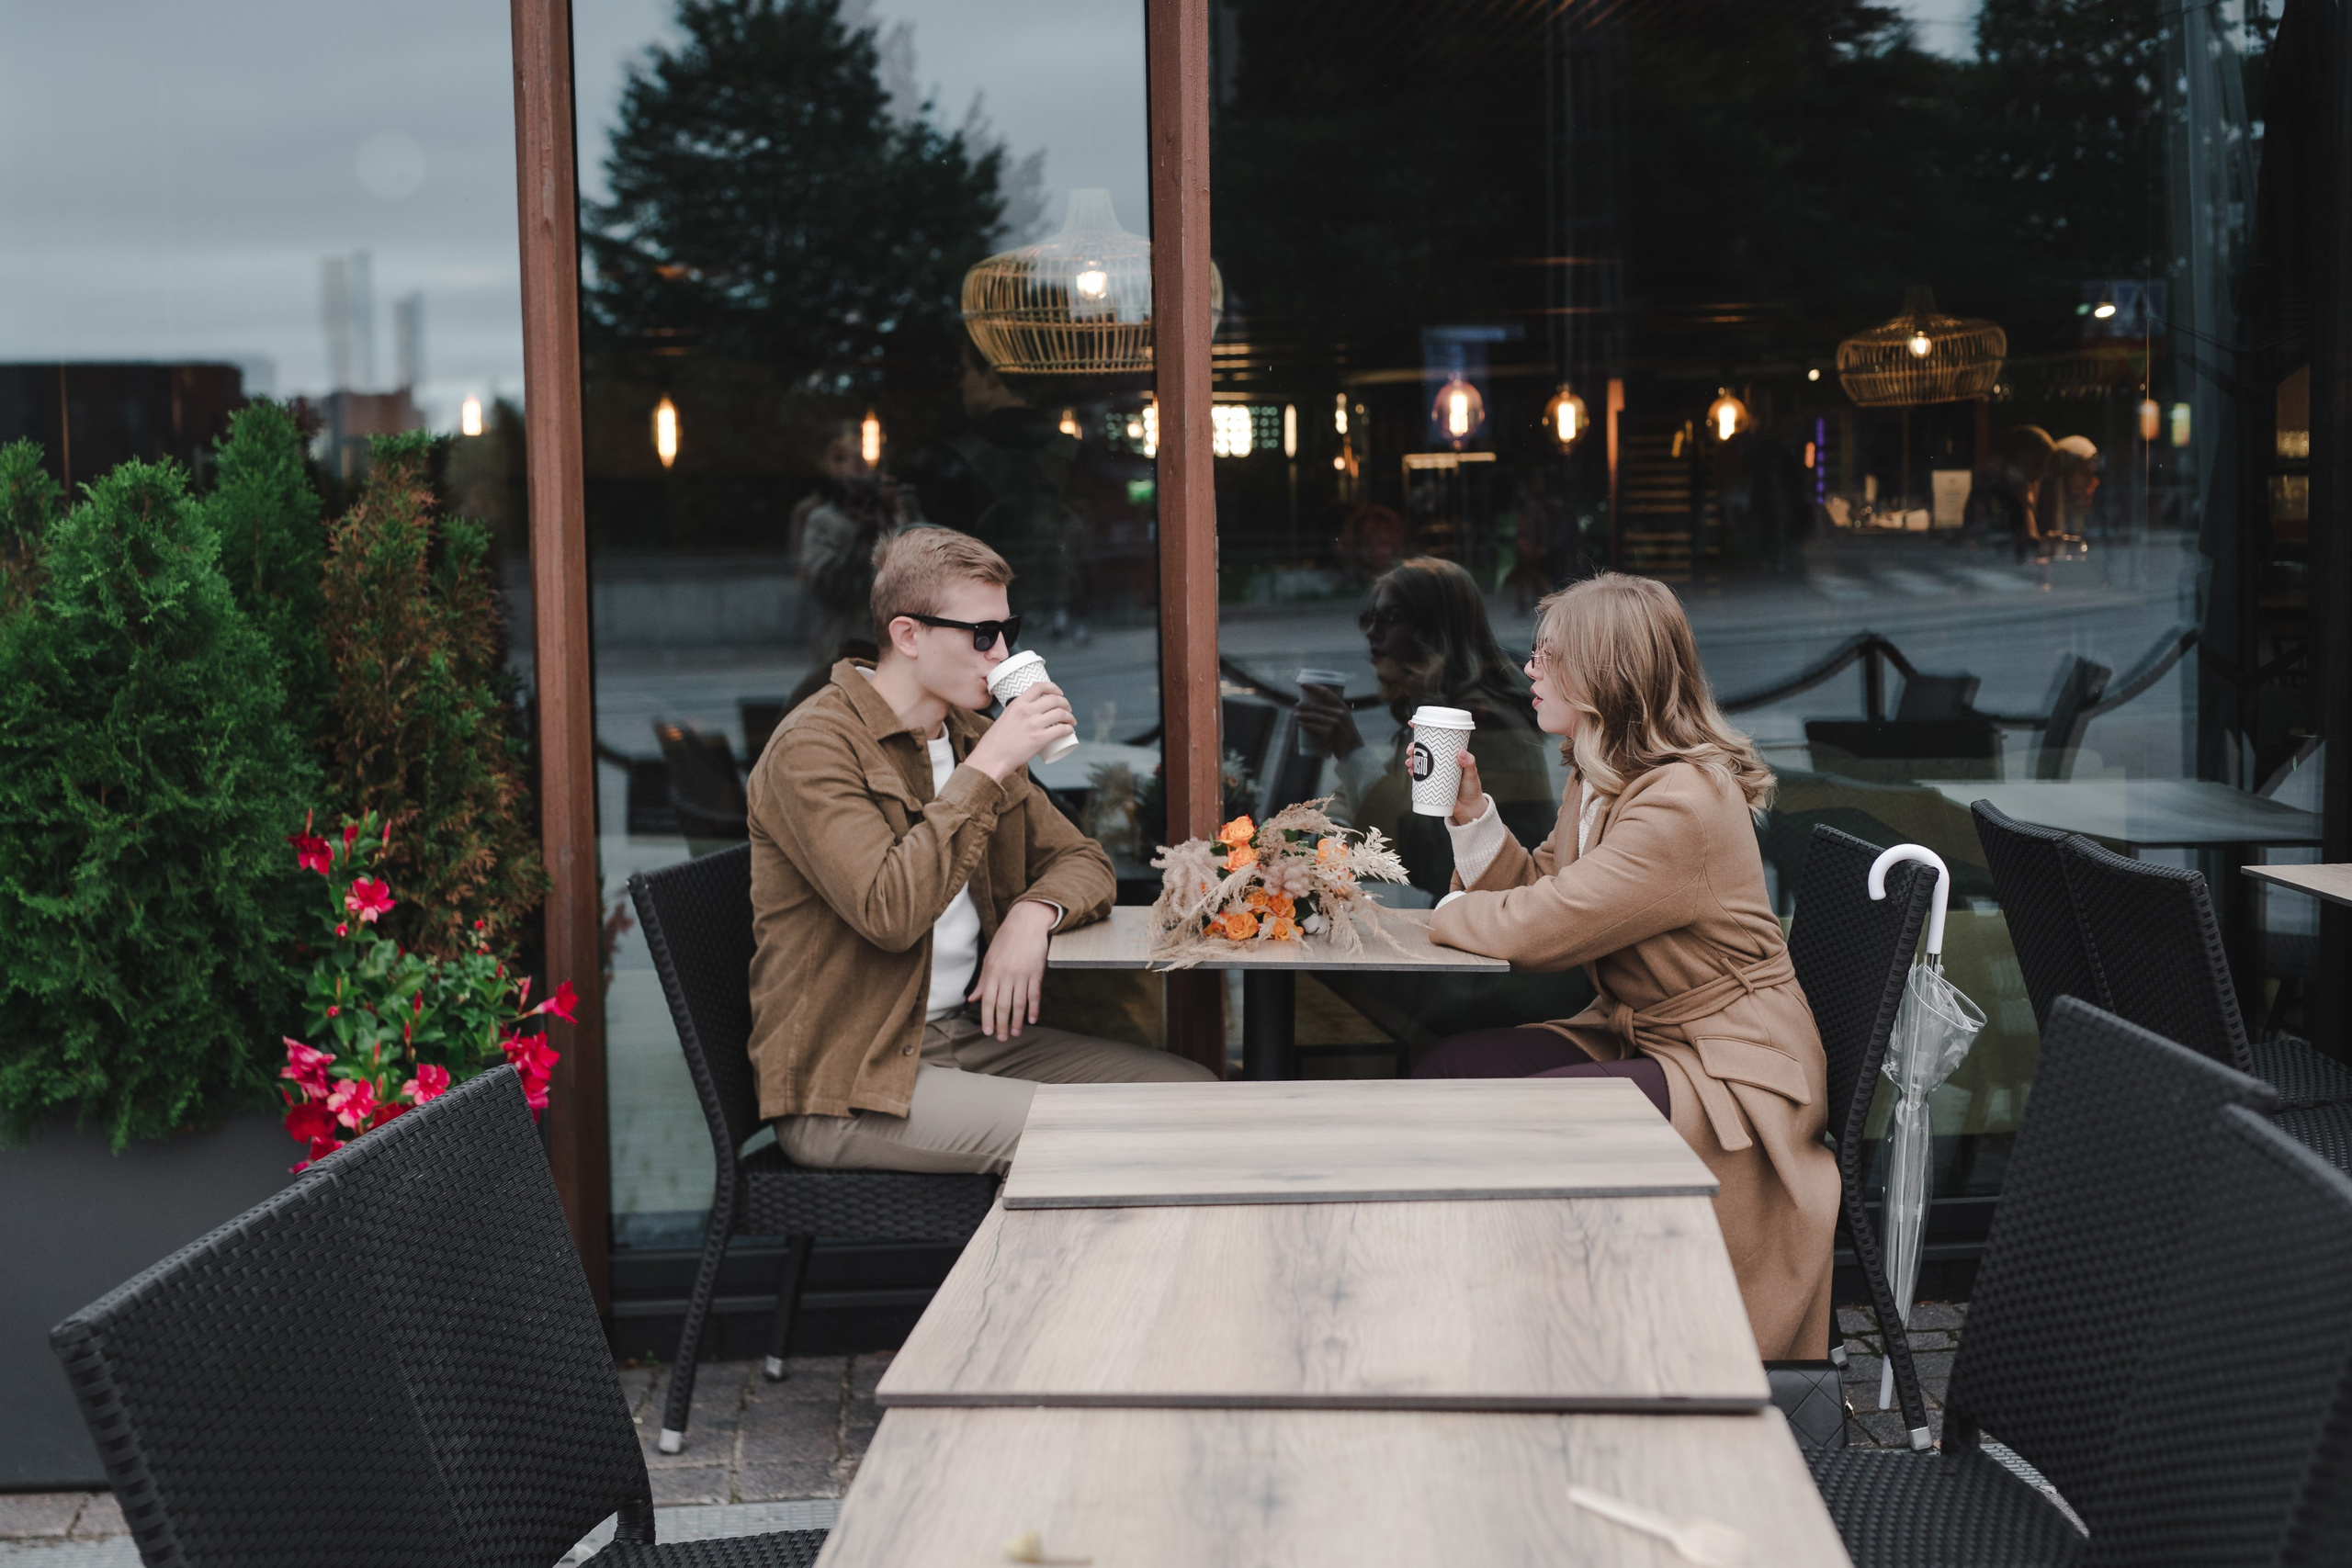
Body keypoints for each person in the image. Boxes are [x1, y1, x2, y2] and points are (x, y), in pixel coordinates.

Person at [1415, 572, 1837, 1361]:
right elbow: (1545, 890)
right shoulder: (1598, 774)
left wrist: (1444, 917)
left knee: (1534, 1120)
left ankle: (1559, 1329)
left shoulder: (1682, 801)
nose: (1530, 669)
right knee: (1452, 1066)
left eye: (1549, 656)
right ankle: (1480, 1306)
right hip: (1650, 1037)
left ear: (1605, 674)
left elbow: (1544, 927)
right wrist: (1471, 815)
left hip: (1733, 1069)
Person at [745, 528, 1214, 1176]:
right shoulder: (815, 746)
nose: (1003, 653)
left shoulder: (967, 734)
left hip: (963, 1040)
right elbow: (890, 911)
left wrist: (1034, 914)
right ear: (908, 636)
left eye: (1007, 629)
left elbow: (1085, 861)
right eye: (982, 634)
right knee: (1103, 1137)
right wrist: (992, 762)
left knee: (1195, 1098)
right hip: (849, 1081)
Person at [1295, 557, 1555, 898]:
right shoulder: (1440, 708)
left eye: (1390, 618)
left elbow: (1430, 857)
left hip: (1494, 914)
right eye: (1369, 618)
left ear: (1434, 629)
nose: (1372, 632)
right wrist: (1328, 834)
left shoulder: (1477, 723)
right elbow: (1373, 796)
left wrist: (1350, 748)